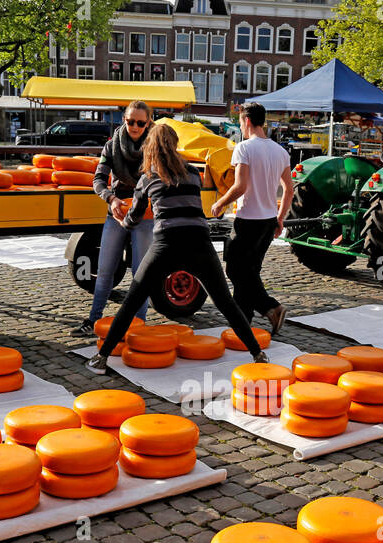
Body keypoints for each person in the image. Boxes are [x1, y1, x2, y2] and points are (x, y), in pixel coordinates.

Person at [88, 125, 266, 375]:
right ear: (175, 145)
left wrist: (121, 221)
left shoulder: (147, 177)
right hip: (199, 243)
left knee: (132, 300)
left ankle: (101, 358)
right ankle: (258, 354)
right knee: (225, 301)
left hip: (166, 243)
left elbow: (135, 218)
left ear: (149, 147)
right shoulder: (193, 172)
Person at [210, 101, 293, 335]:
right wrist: (280, 218)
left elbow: (240, 185)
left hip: (247, 220)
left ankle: (271, 307)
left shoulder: (244, 148)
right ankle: (242, 323)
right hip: (268, 221)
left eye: (240, 123)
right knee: (250, 272)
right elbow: (289, 188)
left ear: (247, 121)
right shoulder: (281, 151)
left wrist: (220, 203)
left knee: (235, 271)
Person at [74, 100, 155, 337]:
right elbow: (98, 179)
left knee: (141, 273)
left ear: (148, 122)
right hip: (117, 211)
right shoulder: (112, 145)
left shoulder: (155, 146)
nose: (135, 127)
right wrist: (110, 198)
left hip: (146, 213)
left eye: (141, 123)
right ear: (124, 120)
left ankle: (138, 325)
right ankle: (93, 320)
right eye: (131, 121)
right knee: (105, 268)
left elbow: (164, 177)